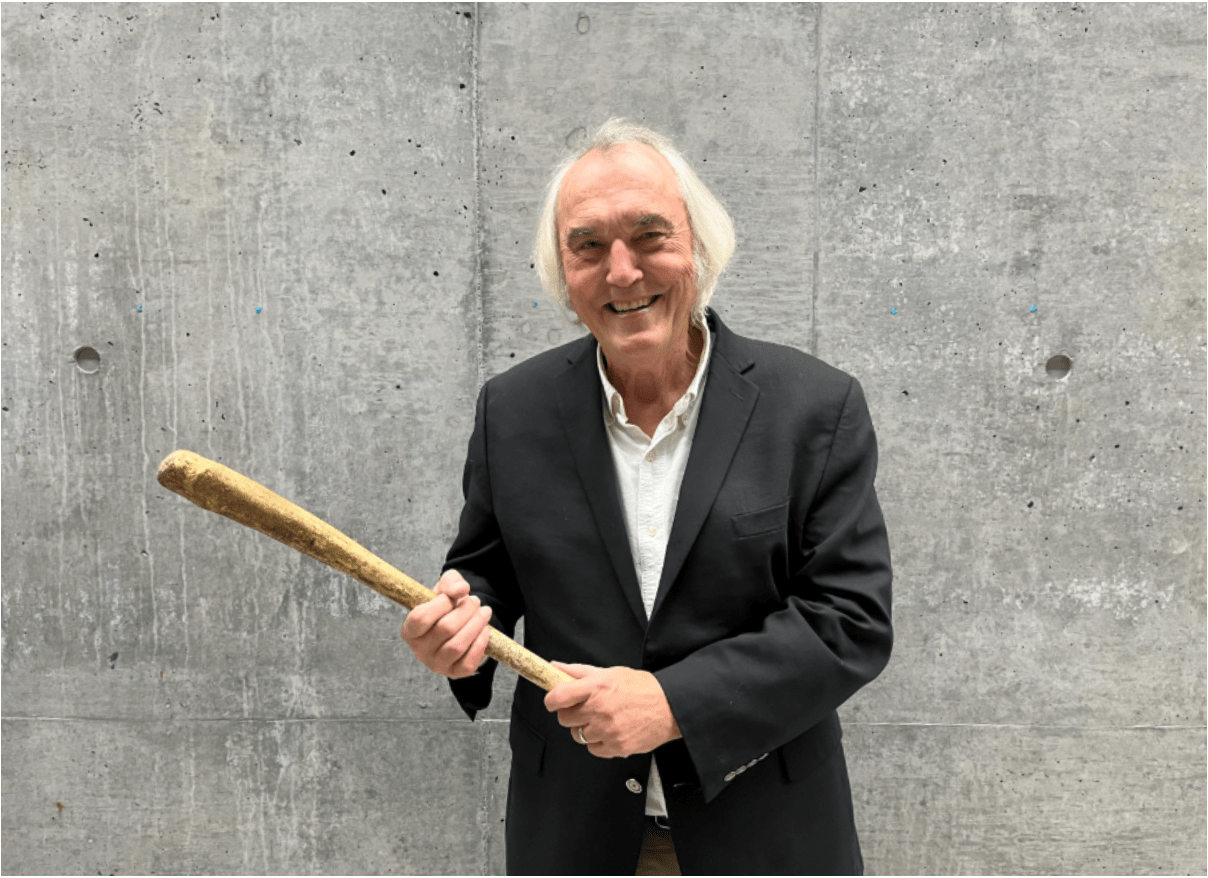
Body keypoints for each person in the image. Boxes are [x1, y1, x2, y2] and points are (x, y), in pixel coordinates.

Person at [401, 119, 892, 876]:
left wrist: (673, 703)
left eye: (649, 237)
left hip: (769, 840)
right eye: (588, 246)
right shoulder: (513, 410)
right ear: (562, 271)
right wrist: (459, 634)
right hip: (574, 841)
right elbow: (486, 575)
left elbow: (849, 621)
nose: (622, 272)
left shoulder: (814, 408)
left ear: (698, 246)